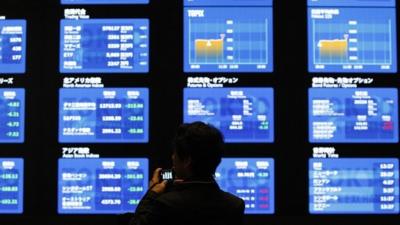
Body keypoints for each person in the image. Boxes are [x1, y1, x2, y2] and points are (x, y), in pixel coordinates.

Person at [129, 122, 245, 225]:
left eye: (175, 153)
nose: (172, 157)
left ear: (187, 160)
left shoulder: (166, 204)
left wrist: (152, 194)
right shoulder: (235, 205)